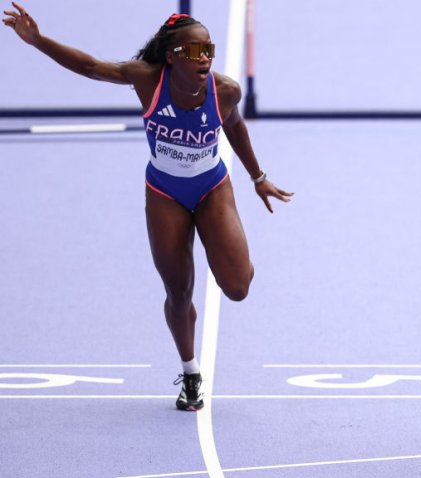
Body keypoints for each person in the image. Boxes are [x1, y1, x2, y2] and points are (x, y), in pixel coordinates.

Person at [3, 3, 293, 411]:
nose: (205, 58)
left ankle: (220, 246)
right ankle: (190, 374)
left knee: (238, 287)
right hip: (165, 194)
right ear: (173, 56)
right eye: (195, 52)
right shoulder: (145, 79)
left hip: (212, 187)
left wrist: (258, 177)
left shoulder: (224, 91)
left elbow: (235, 126)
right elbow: (90, 67)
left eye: (209, 49)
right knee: (178, 292)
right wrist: (38, 41)